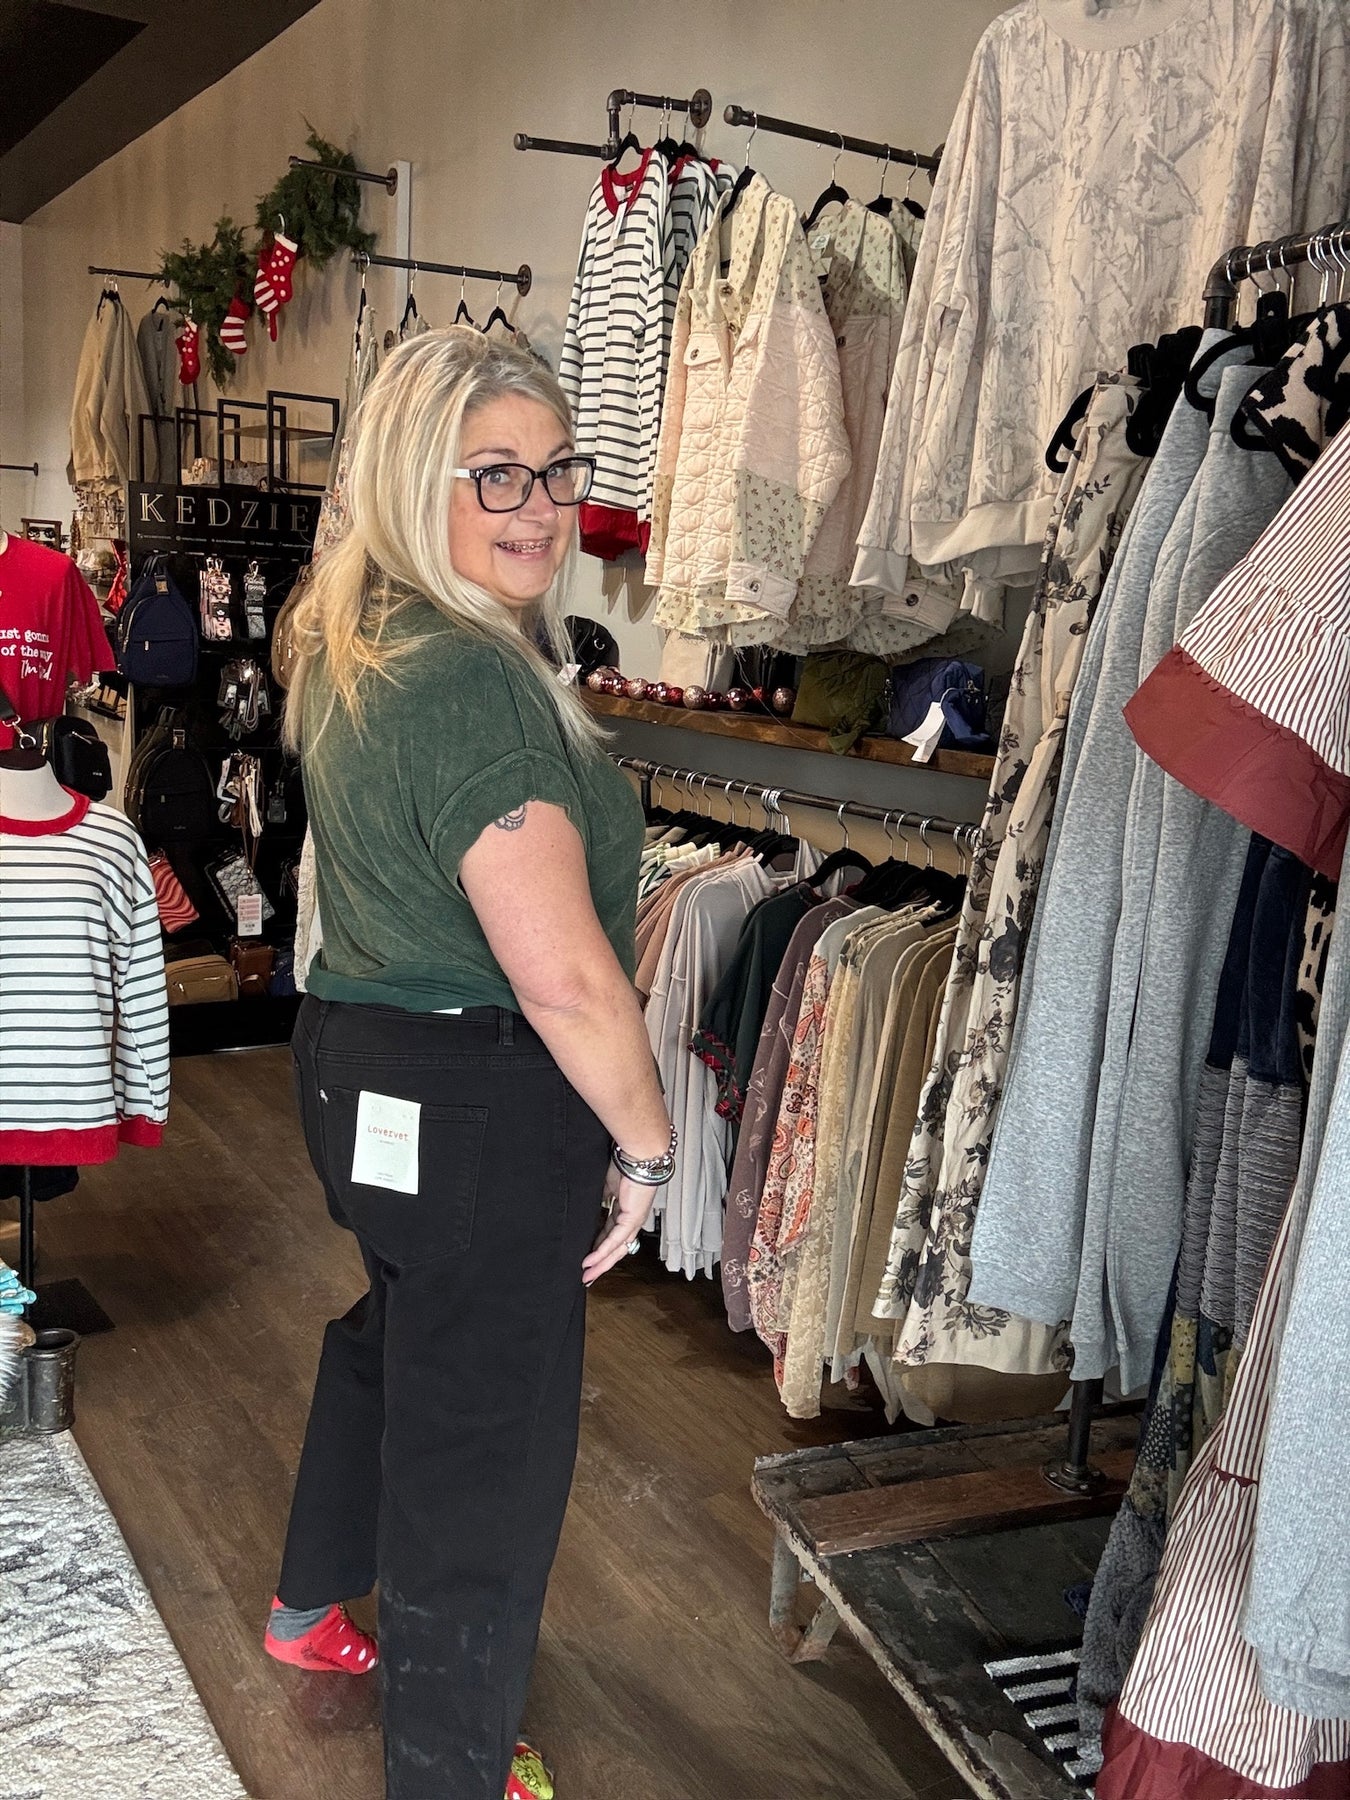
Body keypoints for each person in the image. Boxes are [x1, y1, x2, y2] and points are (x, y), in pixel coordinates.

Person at [264, 327, 675, 1800]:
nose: (537, 506)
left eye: (555, 471)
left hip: (359, 1067)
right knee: (483, 1455)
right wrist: (648, 1149)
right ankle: (448, 1771)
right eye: (492, 473)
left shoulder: (356, 636)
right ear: (408, 477)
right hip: (475, 1105)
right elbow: (566, 979)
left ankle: (308, 1603)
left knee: (401, 1338)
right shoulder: (468, 680)